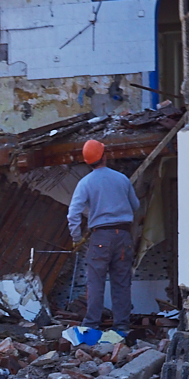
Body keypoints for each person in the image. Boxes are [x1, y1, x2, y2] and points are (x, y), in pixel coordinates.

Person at [67, 139, 139, 332]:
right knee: (122, 283)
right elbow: (136, 206)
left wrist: (76, 239)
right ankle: (122, 328)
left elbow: (73, 214)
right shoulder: (122, 179)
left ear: (87, 162)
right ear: (104, 156)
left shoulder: (85, 183)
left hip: (100, 238)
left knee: (96, 283)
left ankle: (91, 327)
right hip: (123, 236)